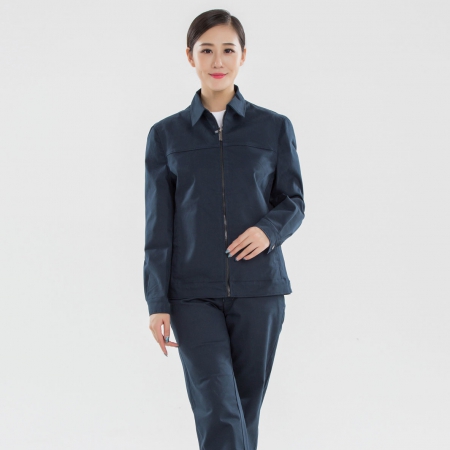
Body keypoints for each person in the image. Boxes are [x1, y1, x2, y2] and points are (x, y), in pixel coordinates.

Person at [143, 9, 305, 450]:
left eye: (228, 50)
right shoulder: (166, 135)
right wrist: (157, 301)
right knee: (219, 409)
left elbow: (293, 201)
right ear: (190, 57)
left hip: (259, 291)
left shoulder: (273, 127)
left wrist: (268, 230)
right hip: (191, 294)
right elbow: (158, 225)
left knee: (244, 412)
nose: (218, 60)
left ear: (243, 56)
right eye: (207, 50)